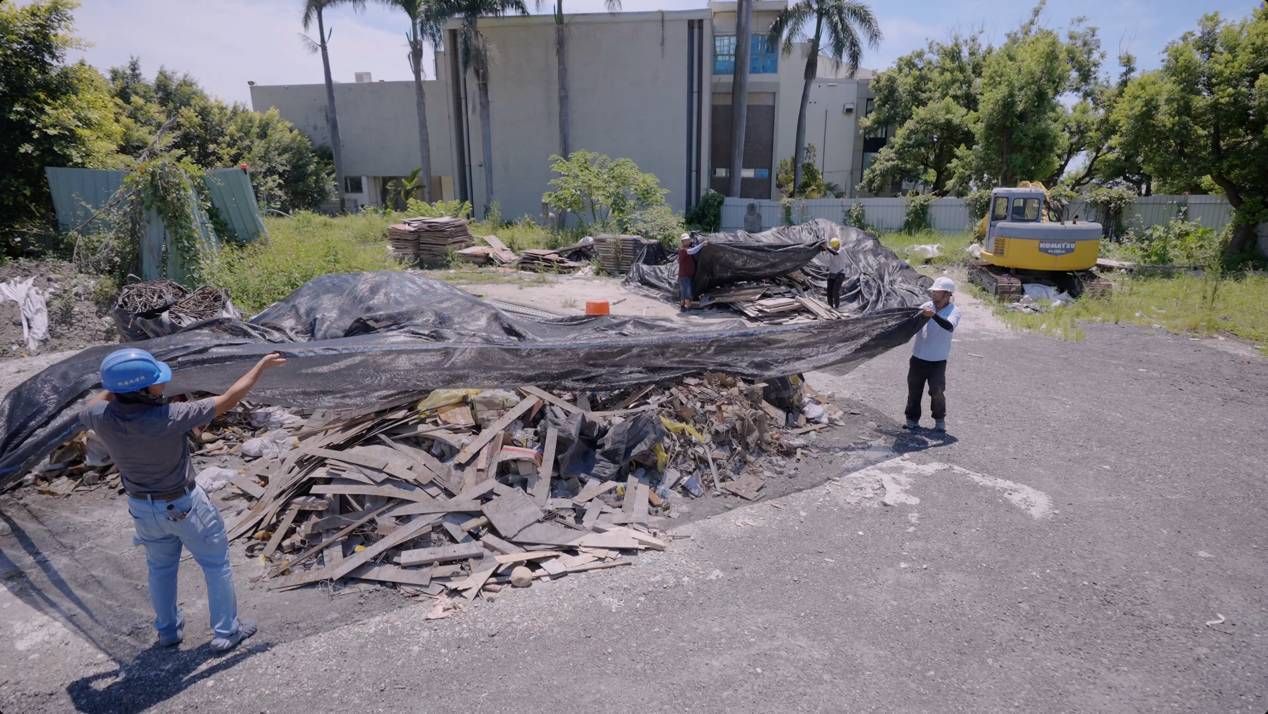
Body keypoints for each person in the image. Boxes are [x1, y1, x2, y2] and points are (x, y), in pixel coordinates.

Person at [81, 348, 287, 652]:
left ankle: (168, 632)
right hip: (183, 505)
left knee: (160, 569)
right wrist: (261, 365)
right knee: (215, 564)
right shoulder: (170, 417)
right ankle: (226, 632)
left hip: (141, 508)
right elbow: (230, 397)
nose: (163, 386)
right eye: (156, 381)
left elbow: (93, 401)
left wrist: (115, 384)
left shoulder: (98, 415)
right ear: (142, 389)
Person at [904, 276, 961, 433]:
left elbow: (949, 326)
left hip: (937, 361)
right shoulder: (927, 306)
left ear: (947, 294)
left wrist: (933, 316)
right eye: (933, 292)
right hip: (917, 358)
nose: (933, 295)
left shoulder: (954, 311)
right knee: (914, 390)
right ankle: (911, 420)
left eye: (937, 292)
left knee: (937, 391)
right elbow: (912, 320)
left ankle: (939, 420)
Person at [676, 234, 707, 310]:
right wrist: (702, 244)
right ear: (682, 241)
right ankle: (686, 306)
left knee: (684, 291)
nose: (688, 241)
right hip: (684, 275)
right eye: (686, 240)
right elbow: (692, 251)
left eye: (688, 240)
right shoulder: (683, 250)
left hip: (687, 274)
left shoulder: (687, 248)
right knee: (687, 291)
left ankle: (683, 306)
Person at [821, 237, 848, 309]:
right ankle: (830, 307)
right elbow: (826, 250)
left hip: (840, 273)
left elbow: (835, 253)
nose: (837, 247)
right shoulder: (831, 249)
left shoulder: (842, 250)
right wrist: (822, 246)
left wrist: (826, 247)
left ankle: (837, 307)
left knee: (835, 291)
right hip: (832, 273)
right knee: (829, 291)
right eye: (836, 246)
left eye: (837, 246)